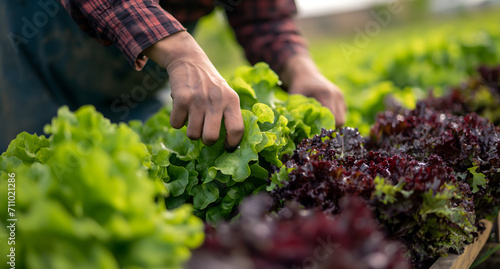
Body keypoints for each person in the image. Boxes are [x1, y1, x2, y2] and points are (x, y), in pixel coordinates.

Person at [0, 0, 345, 152]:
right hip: (23, 55)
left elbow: (262, 17)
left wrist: (300, 69)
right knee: (21, 182)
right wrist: (181, 52)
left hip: (130, 87)